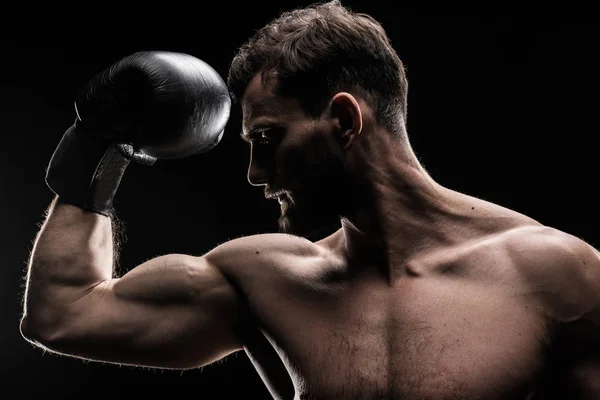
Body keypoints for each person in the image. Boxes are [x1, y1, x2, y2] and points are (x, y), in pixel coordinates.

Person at [20, 1, 600, 399]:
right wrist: (98, 144)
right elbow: (62, 315)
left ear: (344, 118)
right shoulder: (265, 278)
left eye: (267, 140)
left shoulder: (555, 273)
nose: (253, 173)